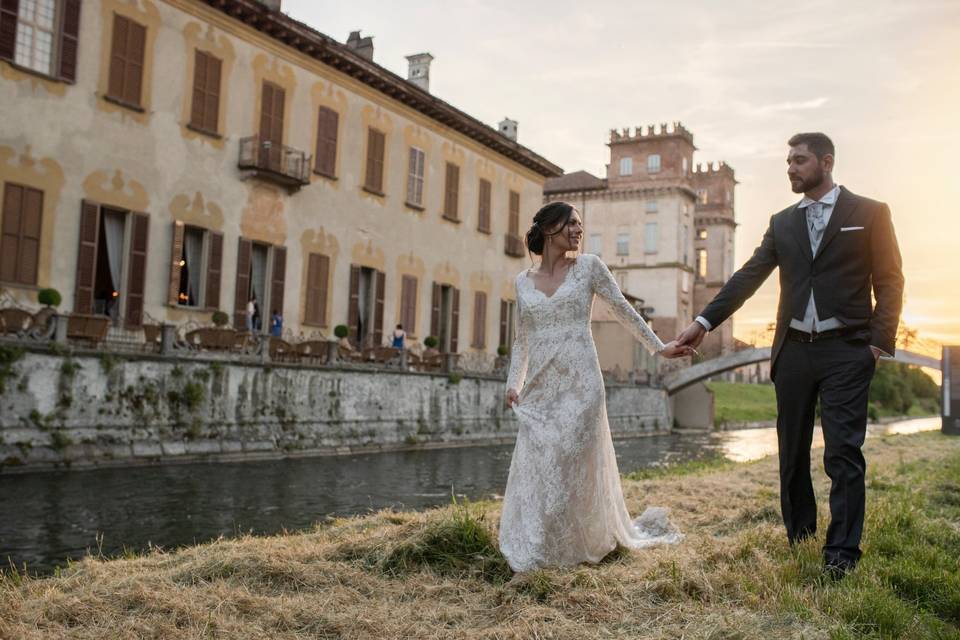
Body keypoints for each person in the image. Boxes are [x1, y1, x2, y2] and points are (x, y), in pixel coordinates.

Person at [675, 133, 904, 578]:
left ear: (826, 161)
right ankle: (800, 534)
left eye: (799, 160)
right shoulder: (782, 223)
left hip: (847, 350)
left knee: (843, 452)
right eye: (788, 161)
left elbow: (890, 281)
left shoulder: (871, 213)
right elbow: (748, 277)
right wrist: (703, 323)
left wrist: (878, 343)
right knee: (792, 452)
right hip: (794, 351)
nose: (791, 168)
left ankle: (841, 553)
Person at [499, 201, 691, 573]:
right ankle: (541, 541)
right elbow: (523, 338)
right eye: (570, 223)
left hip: (583, 384)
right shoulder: (522, 282)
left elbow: (622, 309)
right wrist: (513, 382)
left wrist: (660, 346)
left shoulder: (589, 267)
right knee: (542, 464)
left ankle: (576, 543)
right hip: (541, 387)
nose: (577, 230)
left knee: (573, 462)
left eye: (579, 224)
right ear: (549, 228)